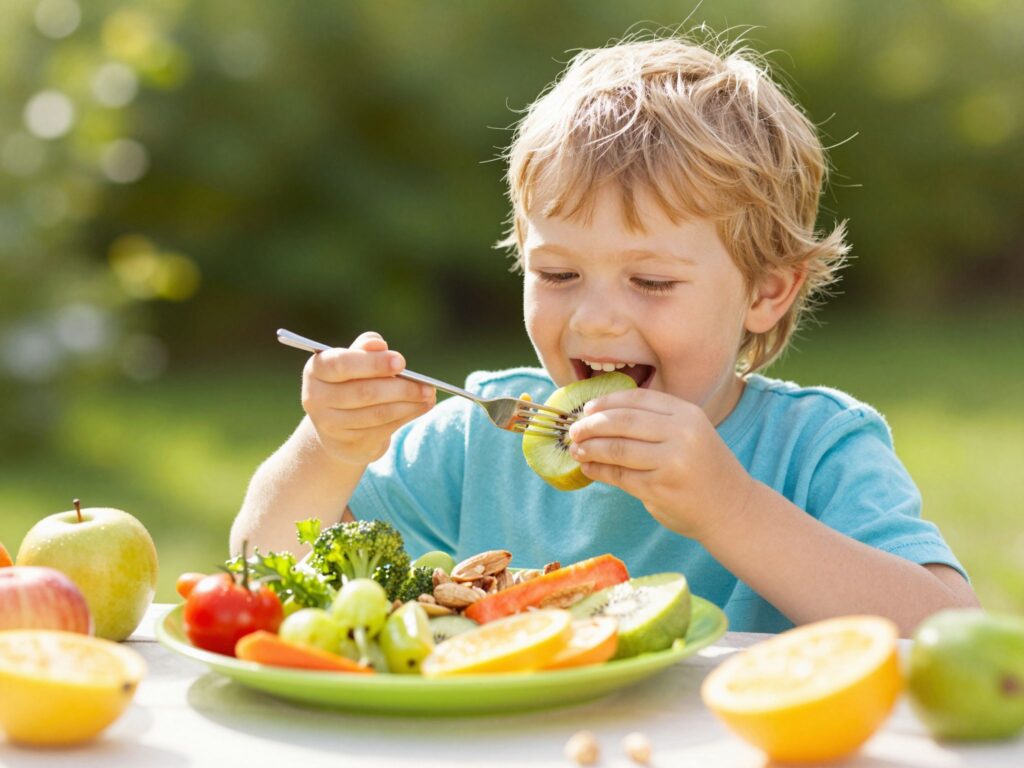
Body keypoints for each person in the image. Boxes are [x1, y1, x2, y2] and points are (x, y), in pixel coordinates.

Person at [231, 35, 978, 635]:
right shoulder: (473, 437)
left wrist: (730, 508)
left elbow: (945, 632)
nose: (593, 320)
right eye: (557, 275)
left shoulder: (816, 448)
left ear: (767, 289)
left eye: (651, 282)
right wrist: (327, 449)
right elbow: (263, 577)